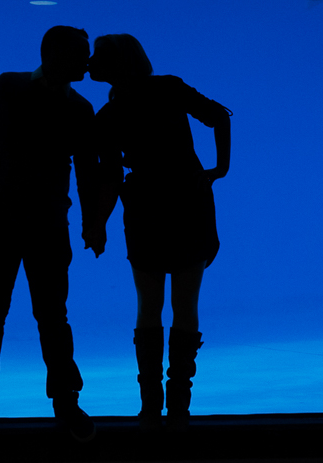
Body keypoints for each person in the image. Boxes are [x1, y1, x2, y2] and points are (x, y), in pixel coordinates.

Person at [0, 26, 104, 446]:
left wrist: (93, 222)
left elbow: (87, 172)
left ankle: (58, 399)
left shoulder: (72, 106)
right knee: (5, 313)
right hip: (9, 222)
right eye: (80, 54)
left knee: (36, 314)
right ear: (54, 55)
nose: (86, 62)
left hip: (39, 225)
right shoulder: (12, 88)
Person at [87, 33, 231, 431]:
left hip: (146, 207)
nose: (89, 62)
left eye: (96, 57)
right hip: (189, 199)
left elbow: (112, 178)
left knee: (148, 305)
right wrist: (219, 169)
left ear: (114, 65)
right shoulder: (168, 87)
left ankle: (151, 408)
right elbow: (219, 115)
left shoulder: (107, 117)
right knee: (186, 304)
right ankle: (179, 409)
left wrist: (97, 225)